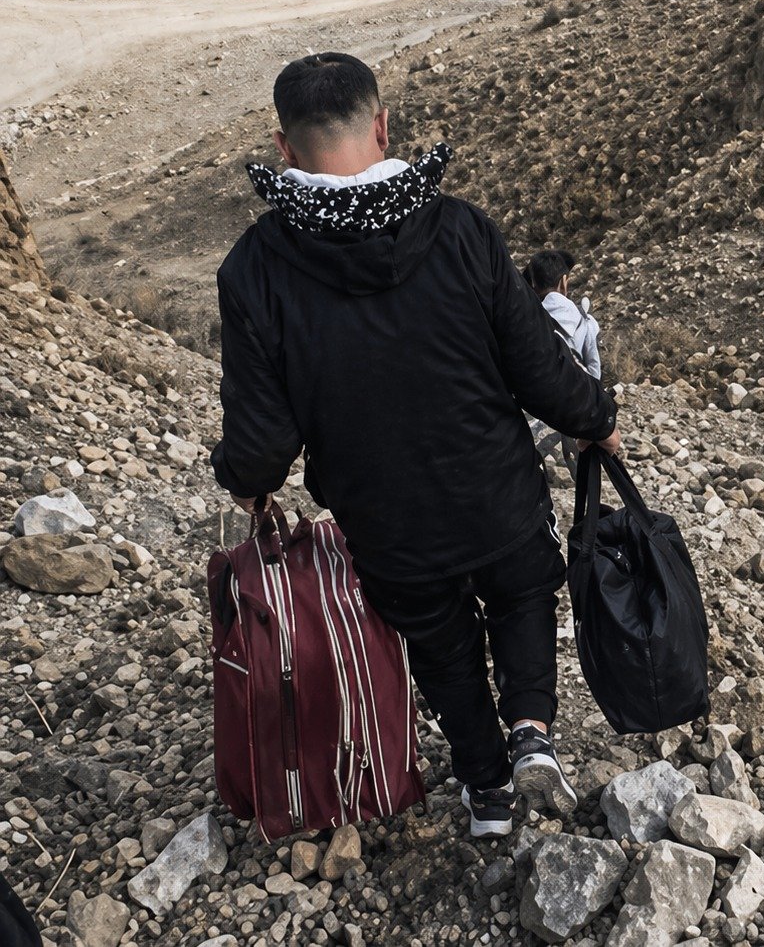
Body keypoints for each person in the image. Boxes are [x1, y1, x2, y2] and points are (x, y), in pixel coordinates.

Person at [210, 52, 620, 840]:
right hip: (496, 486)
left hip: (387, 519)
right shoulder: (461, 229)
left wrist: (246, 476)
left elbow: (264, 439)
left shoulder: (255, 268)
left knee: (439, 641)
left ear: (285, 147)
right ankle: (532, 727)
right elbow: (536, 365)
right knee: (523, 589)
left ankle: (487, 791)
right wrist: (596, 417)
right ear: (384, 125)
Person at [523, 249, 601, 379]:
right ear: (564, 282)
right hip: (577, 395)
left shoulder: (525, 319)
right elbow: (595, 373)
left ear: (533, 284)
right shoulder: (586, 321)